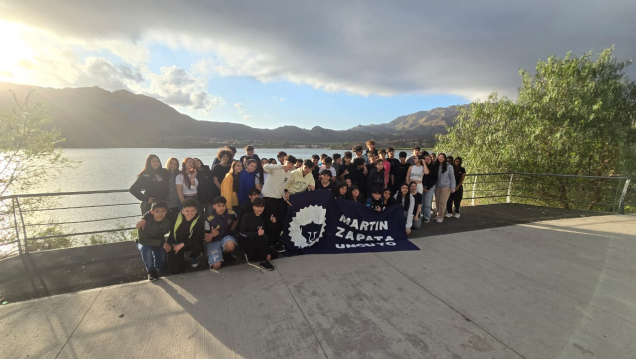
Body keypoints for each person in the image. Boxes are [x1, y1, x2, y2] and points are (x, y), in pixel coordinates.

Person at [262, 155, 297, 251]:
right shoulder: (276, 169)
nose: (290, 165)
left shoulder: (289, 174)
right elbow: (265, 167)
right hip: (268, 197)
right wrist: (279, 166)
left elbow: (283, 187)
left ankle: (277, 241)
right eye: (289, 162)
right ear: (284, 161)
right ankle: (270, 244)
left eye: (292, 164)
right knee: (271, 220)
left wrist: (285, 194)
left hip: (278, 199)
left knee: (280, 220)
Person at [238, 198, 279, 271]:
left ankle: (260, 255)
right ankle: (263, 261)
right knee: (262, 237)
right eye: (258, 206)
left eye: (262, 207)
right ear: (253, 207)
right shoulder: (246, 217)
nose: (260, 209)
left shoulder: (261, 219)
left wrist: (273, 223)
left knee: (275, 253)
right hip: (248, 243)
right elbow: (241, 234)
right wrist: (256, 234)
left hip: (258, 244)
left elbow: (269, 235)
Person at [166, 198, 204, 273]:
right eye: (187, 211)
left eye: (192, 210)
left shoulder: (199, 220)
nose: (190, 213)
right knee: (175, 270)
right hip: (175, 243)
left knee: (198, 246)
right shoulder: (174, 216)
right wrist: (144, 218)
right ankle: (181, 257)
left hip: (188, 244)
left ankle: (192, 256)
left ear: (196, 211)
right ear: (182, 211)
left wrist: (182, 245)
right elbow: (160, 209)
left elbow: (198, 238)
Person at [136, 201, 171, 281]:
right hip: (144, 242)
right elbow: (142, 240)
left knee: (161, 265)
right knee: (146, 249)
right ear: (152, 212)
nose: (160, 214)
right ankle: (150, 271)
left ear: (166, 211)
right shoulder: (144, 223)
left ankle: (155, 260)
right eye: (157, 211)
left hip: (159, 242)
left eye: (163, 211)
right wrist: (162, 243)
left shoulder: (167, 221)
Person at [204, 196, 238, 270]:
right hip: (213, 242)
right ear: (214, 206)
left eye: (223, 205)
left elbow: (236, 220)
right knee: (216, 266)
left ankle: (226, 253)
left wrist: (232, 229)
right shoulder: (208, 220)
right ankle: (218, 255)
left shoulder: (231, 213)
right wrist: (212, 235)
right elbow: (206, 240)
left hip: (225, 238)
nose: (221, 208)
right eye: (219, 206)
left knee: (230, 245)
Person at [434, 153, 456, 223]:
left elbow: (452, 177)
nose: (441, 158)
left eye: (442, 157)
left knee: (442, 202)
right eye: (439, 157)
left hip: (446, 187)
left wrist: (453, 187)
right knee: (437, 202)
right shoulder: (436, 166)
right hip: (437, 186)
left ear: (444, 158)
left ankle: (441, 216)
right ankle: (438, 215)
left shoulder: (449, 166)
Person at [422, 154, 438, 223]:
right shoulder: (422, 167)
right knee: (422, 203)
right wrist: (422, 187)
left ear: (431, 159)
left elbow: (435, 179)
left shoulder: (434, 167)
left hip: (430, 187)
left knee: (427, 203)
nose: (427, 160)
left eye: (429, 158)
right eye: (426, 158)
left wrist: (428, 188)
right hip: (422, 187)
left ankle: (427, 217)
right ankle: (422, 215)